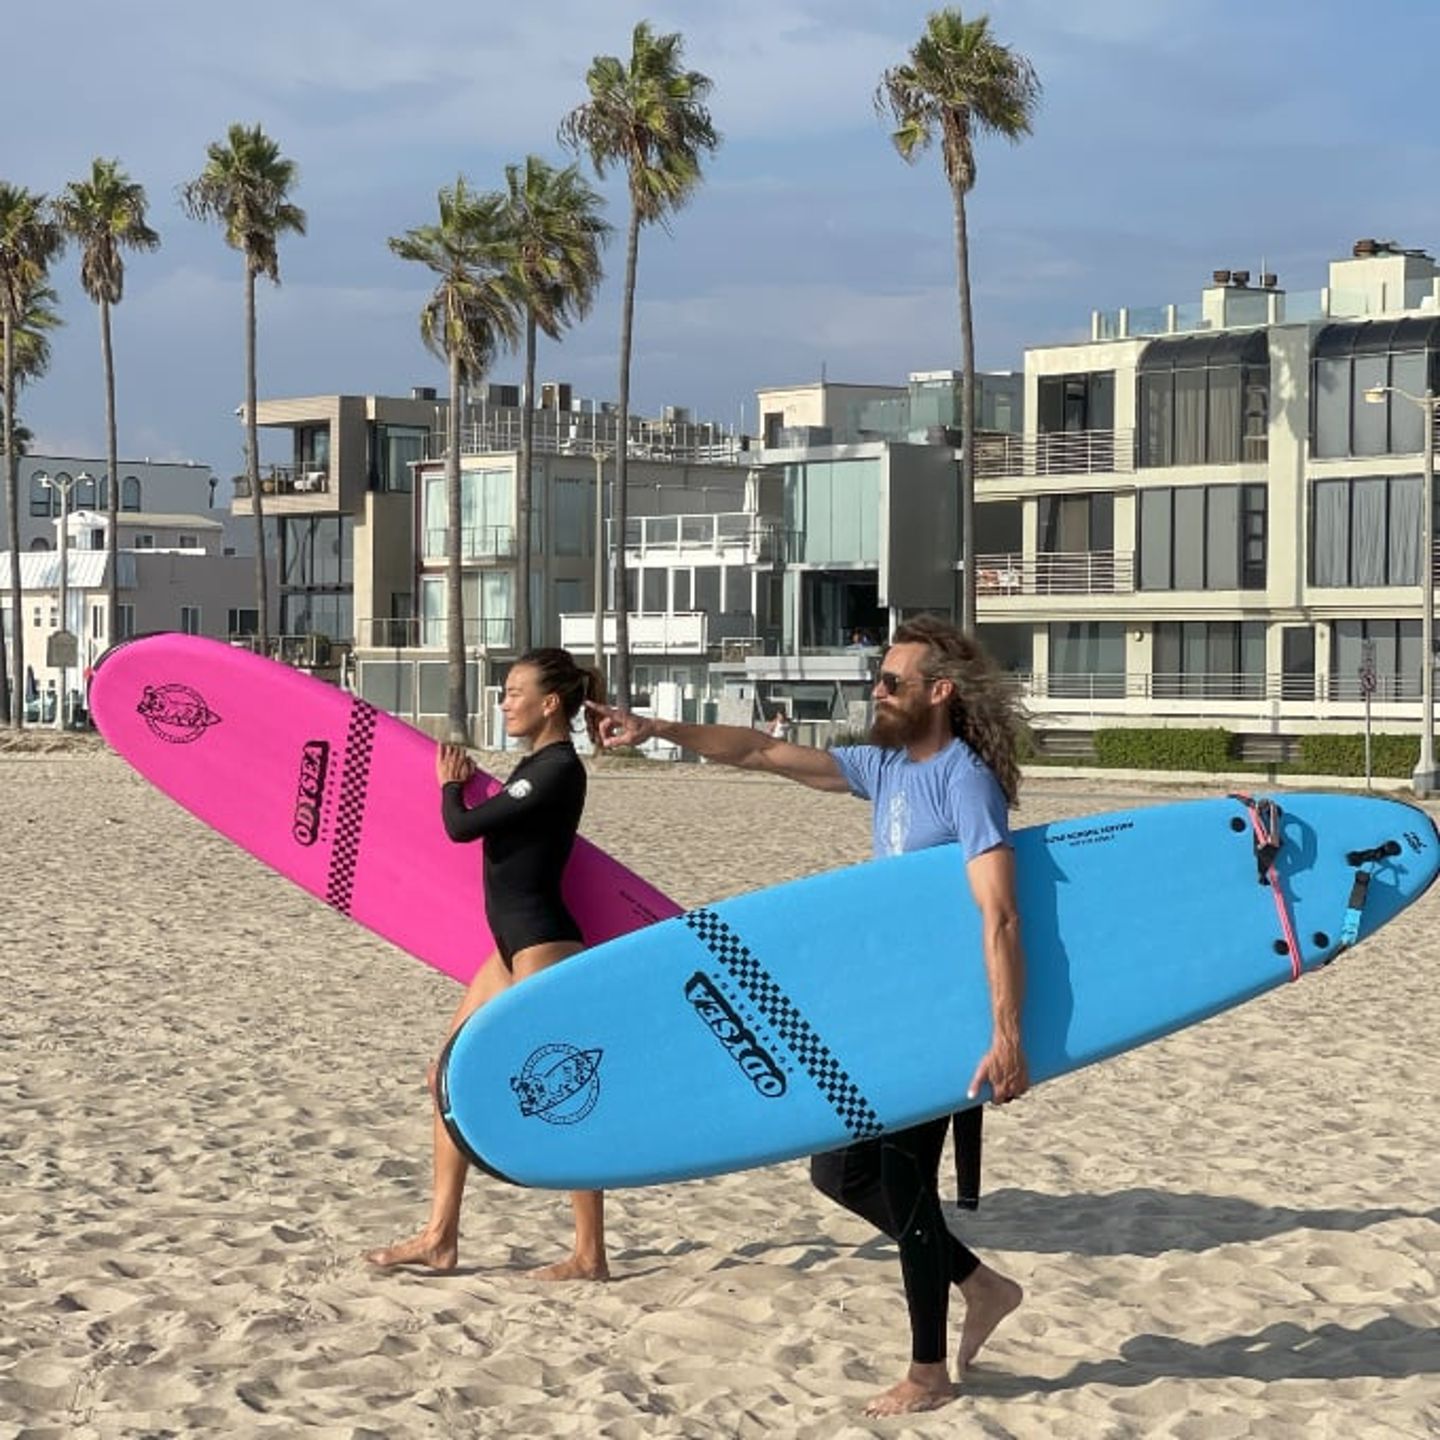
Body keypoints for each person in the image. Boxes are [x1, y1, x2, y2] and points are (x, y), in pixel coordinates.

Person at [589, 614, 1028, 1416]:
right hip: (888, 1010)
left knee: (905, 1179)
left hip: (943, 1013)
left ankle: (928, 1372)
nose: (877, 691)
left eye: (891, 682)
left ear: (939, 692)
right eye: (877, 679)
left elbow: (999, 914)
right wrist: (657, 729)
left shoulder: (965, 781)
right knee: (840, 1173)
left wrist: (1005, 1035)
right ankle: (980, 1284)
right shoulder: (885, 769)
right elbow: (761, 751)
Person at [366, 647, 610, 1282]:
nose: (504, 703)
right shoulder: (533, 767)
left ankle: (590, 1254)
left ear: (550, 703)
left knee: (563, 1102)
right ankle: (439, 1237)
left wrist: (450, 784)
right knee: (443, 1079)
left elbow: (462, 827)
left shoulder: (559, 769)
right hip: (508, 951)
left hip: (544, 947)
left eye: (514, 692)